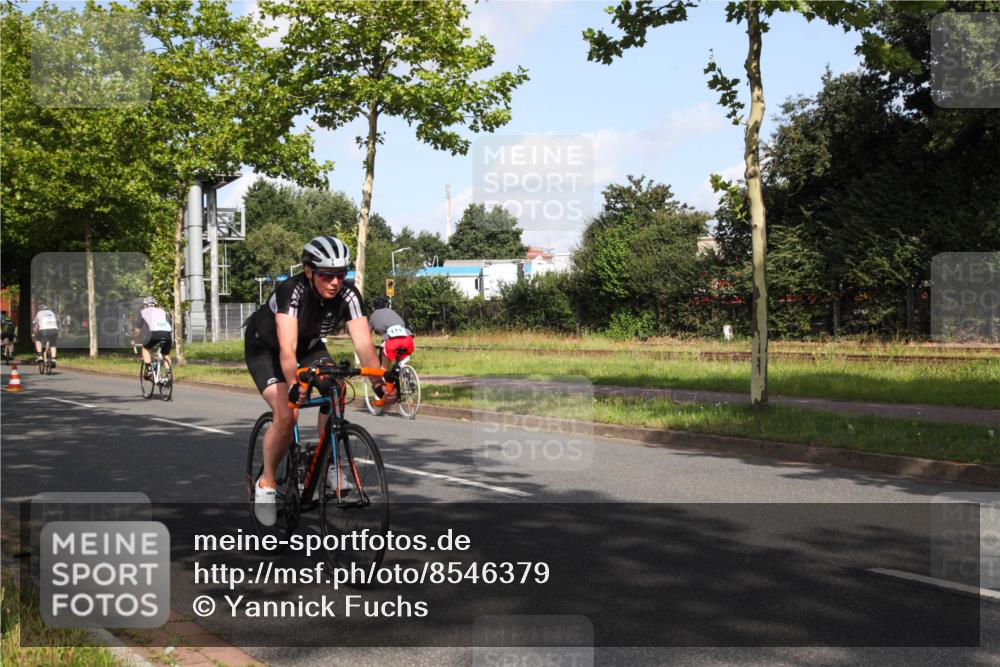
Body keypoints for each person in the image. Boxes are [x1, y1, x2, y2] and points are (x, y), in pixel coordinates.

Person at [244, 236, 394, 526]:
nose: (335, 282)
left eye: (341, 275)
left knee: (336, 386)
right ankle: (267, 483)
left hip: (308, 345)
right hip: (267, 348)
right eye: (327, 275)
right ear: (309, 270)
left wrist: (379, 383)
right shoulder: (293, 291)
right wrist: (296, 384)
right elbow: (287, 350)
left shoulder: (349, 296)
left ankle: (332, 464)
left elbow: (364, 345)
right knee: (287, 415)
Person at [368, 296, 414, 407]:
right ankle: (407, 377)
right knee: (402, 362)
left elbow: (366, 334)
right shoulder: (392, 312)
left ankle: (380, 395)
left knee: (384, 368)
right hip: (408, 339)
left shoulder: (373, 315)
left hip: (391, 342)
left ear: (374, 306)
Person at [132, 297, 173, 377]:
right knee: (165, 354)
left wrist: (134, 340)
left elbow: (137, 330)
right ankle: (169, 375)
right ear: (155, 305)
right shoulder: (163, 311)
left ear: (145, 305)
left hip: (154, 334)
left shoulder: (143, 312)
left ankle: (149, 369)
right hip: (167, 334)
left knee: (145, 348)